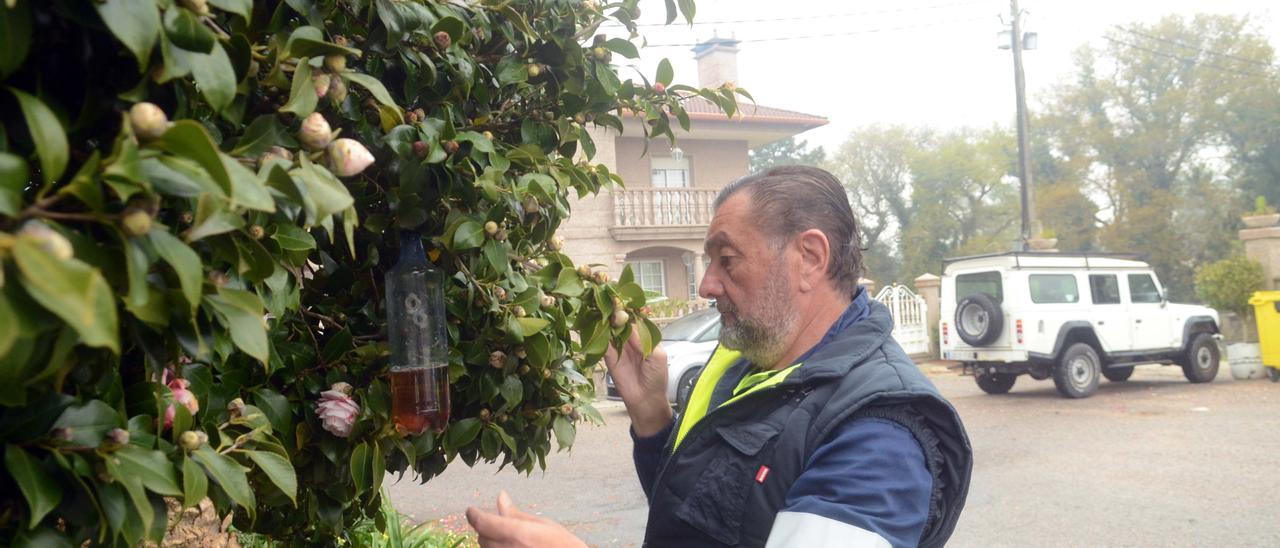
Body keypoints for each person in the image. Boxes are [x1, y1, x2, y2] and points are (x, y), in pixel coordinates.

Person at [467, 166, 973, 547]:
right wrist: (652, 419)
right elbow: (699, 512)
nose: (708, 284)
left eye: (726, 260)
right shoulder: (748, 364)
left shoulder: (880, 433)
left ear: (810, 258)